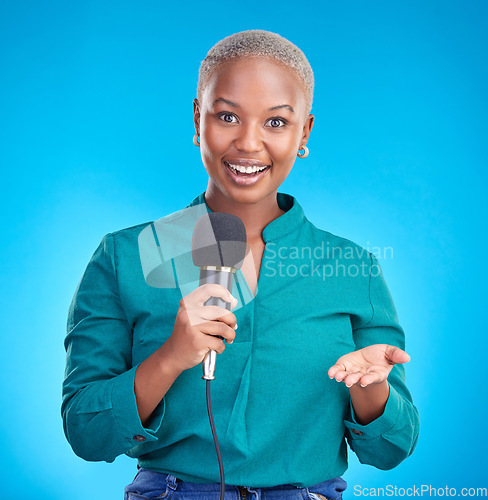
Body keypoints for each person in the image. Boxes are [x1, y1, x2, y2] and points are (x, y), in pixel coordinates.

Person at [62, 29, 420, 500]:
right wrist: (171, 357)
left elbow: (395, 447)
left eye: (275, 123)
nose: (248, 144)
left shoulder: (352, 266)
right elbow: (86, 432)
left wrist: (371, 388)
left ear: (304, 133)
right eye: (227, 116)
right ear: (198, 118)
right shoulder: (127, 254)